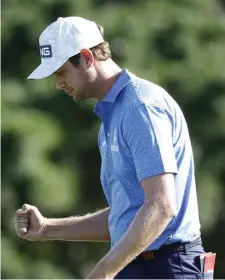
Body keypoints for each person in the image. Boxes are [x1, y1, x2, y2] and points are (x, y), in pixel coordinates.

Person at [14, 16, 213, 279]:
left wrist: (102, 273)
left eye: (61, 72)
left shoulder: (140, 107)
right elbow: (127, 215)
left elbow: (161, 206)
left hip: (169, 268)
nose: (58, 84)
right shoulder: (113, 114)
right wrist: (48, 229)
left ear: (86, 57)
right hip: (140, 264)